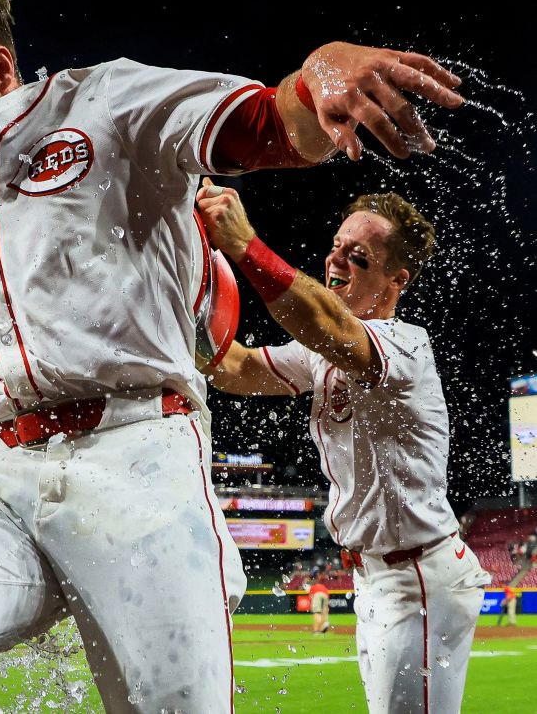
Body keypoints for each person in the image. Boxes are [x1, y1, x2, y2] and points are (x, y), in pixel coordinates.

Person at [0, 0, 466, 713]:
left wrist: (322, 72)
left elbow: (272, 125)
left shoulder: (102, 100)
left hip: (138, 461)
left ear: (1, 66)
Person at [196, 184, 490, 713]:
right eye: (336, 245)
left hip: (416, 577)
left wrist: (245, 245)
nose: (337, 258)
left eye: (360, 257)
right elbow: (234, 369)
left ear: (397, 280)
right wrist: (182, 303)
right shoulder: (321, 354)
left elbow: (325, 324)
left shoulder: (406, 346)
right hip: (378, 575)